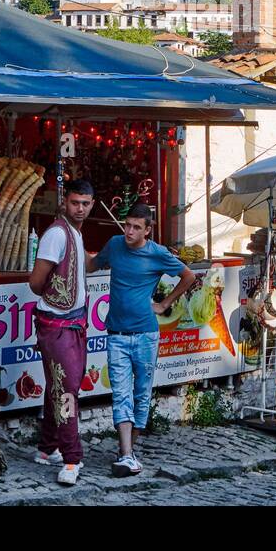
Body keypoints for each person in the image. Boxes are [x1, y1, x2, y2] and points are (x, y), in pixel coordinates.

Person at [90, 202, 196, 477]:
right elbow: (93, 264)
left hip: (147, 335)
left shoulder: (157, 254)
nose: (130, 231)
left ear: (148, 230)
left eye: (137, 227)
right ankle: (126, 453)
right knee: (121, 393)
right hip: (116, 334)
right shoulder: (114, 245)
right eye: (127, 225)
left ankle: (129, 450)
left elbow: (189, 276)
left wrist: (163, 305)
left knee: (141, 395)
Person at [27, 180, 95, 485]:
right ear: (64, 203)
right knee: (66, 391)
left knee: (60, 385)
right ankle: (71, 459)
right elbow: (36, 282)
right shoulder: (56, 233)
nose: (80, 209)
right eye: (75, 203)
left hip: (72, 323)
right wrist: (54, 297)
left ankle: (46, 448)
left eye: (86, 203)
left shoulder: (75, 232)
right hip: (57, 325)